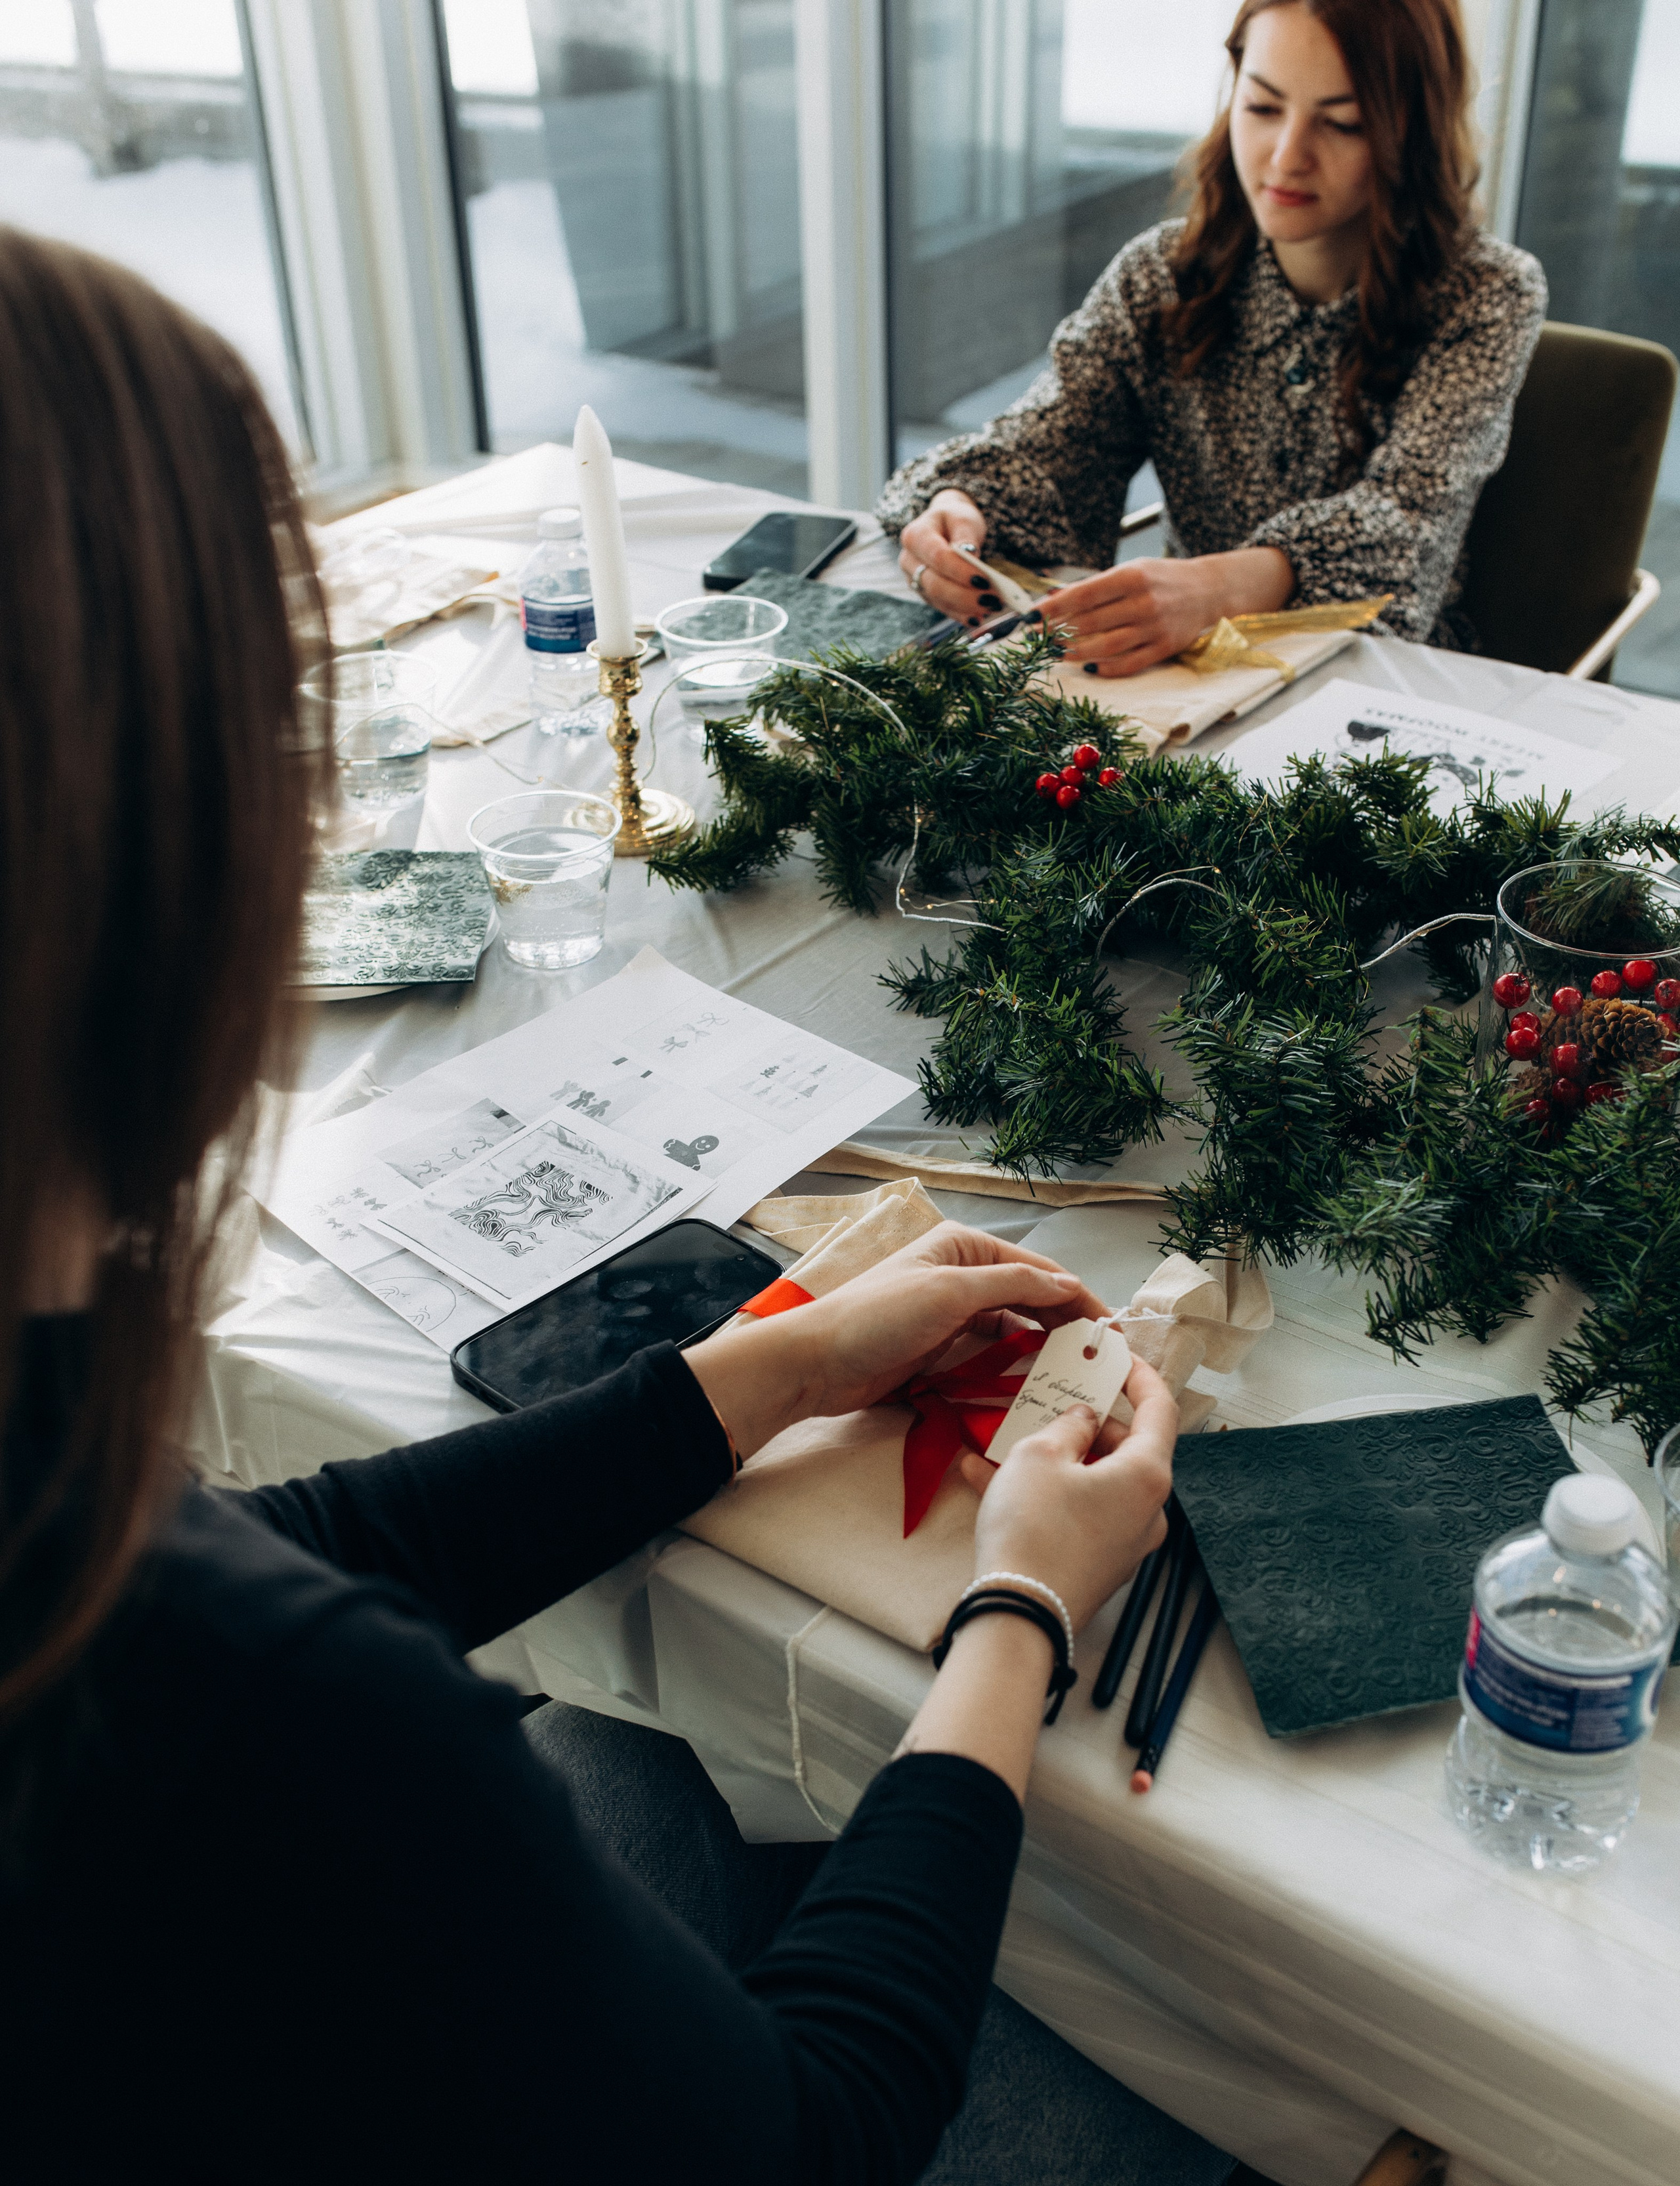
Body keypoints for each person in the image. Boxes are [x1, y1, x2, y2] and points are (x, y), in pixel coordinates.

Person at [0, 227, 1234, 2186]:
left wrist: (752, 1377)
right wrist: (1016, 1606)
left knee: (661, 1754)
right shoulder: (296, 1724)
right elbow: (812, 2137)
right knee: (1205, 2068)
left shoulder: (104, 1546)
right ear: (167, 860)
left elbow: (281, 1545)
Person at [882, 0, 1546, 671]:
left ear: (1414, 126)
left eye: (1343, 124)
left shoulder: (1487, 294)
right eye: (1261, 107)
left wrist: (1216, 587)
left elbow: (1408, 525)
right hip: (1177, 676)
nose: (1287, 157)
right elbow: (1051, 441)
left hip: (1382, 692)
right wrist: (959, 506)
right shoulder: (1162, 274)